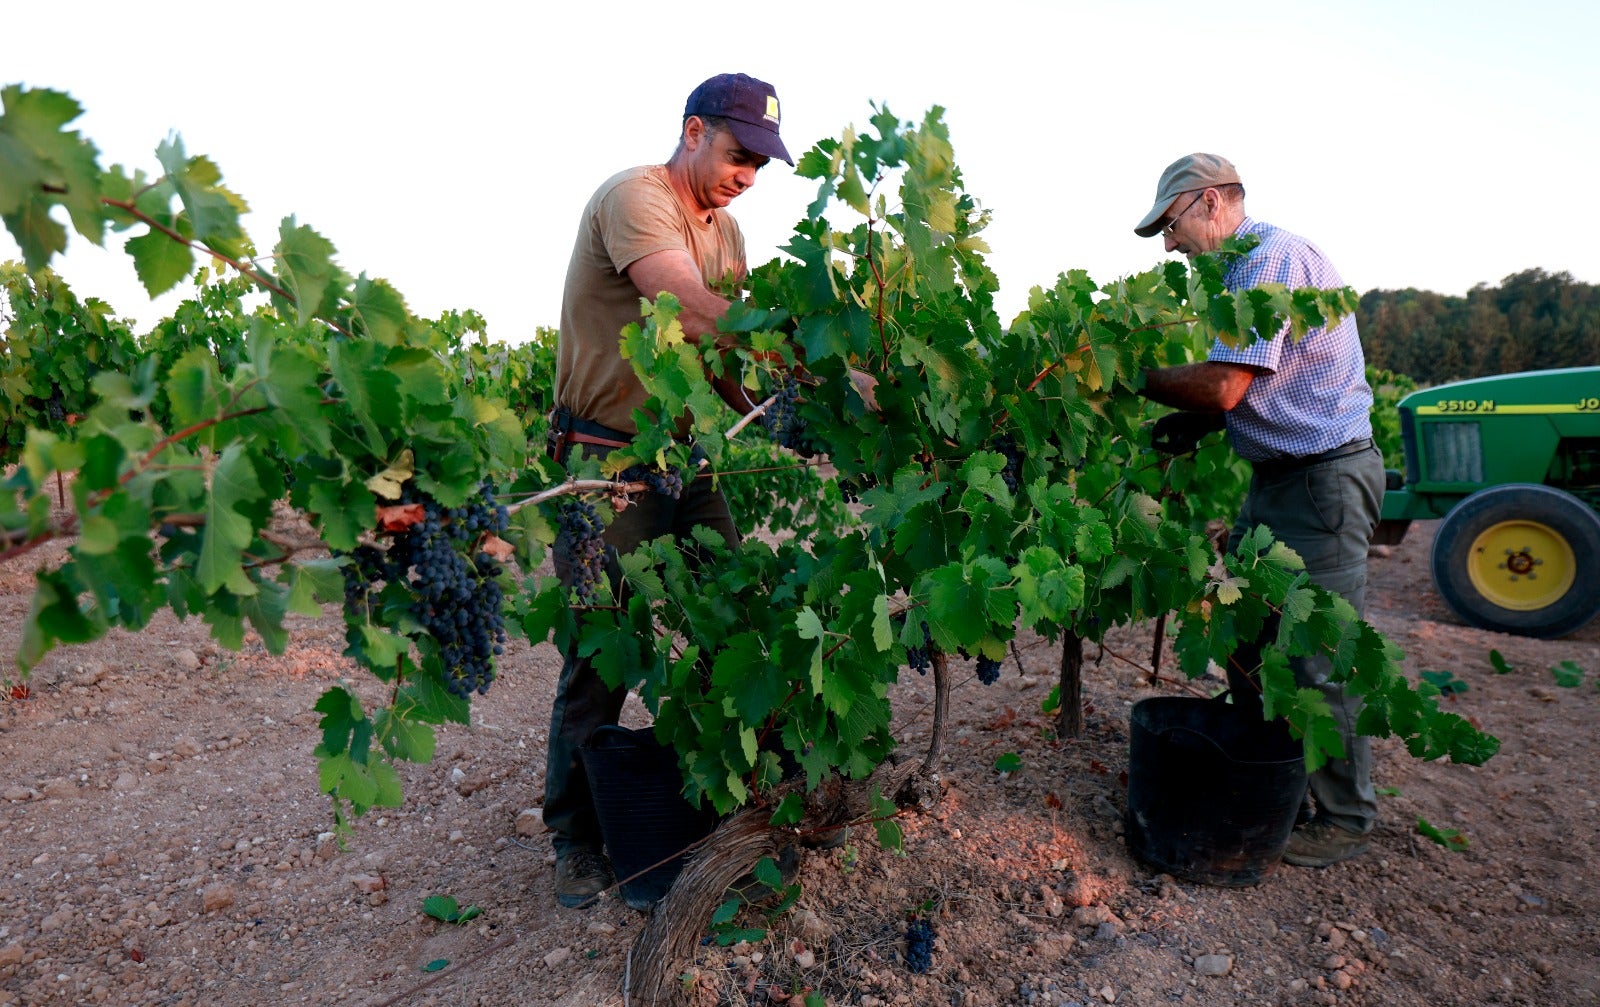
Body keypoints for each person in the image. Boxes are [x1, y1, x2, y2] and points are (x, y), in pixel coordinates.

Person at [543, 72, 793, 908]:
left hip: (688, 461)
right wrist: (811, 355)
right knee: (601, 649)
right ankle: (575, 838)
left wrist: (788, 410)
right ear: (694, 130)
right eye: (737, 155)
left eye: (760, 165)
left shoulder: (728, 234)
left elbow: (726, 364)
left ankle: (727, 799)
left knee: (734, 616)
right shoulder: (635, 198)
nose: (747, 177)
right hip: (605, 459)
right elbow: (686, 309)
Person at [1132, 153, 1385, 868]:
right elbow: (1265, 388)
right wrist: (1199, 426)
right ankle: (1271, 780)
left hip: (1323, 482)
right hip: (1279, 481)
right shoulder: (1242, 272)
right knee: (1247, 635)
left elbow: (1226, 387)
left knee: (1320, 655)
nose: (1169, 244)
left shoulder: (1270, 261)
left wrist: (1133, 377)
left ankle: (1344, 816)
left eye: (1172, 224)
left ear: (1210, 203)